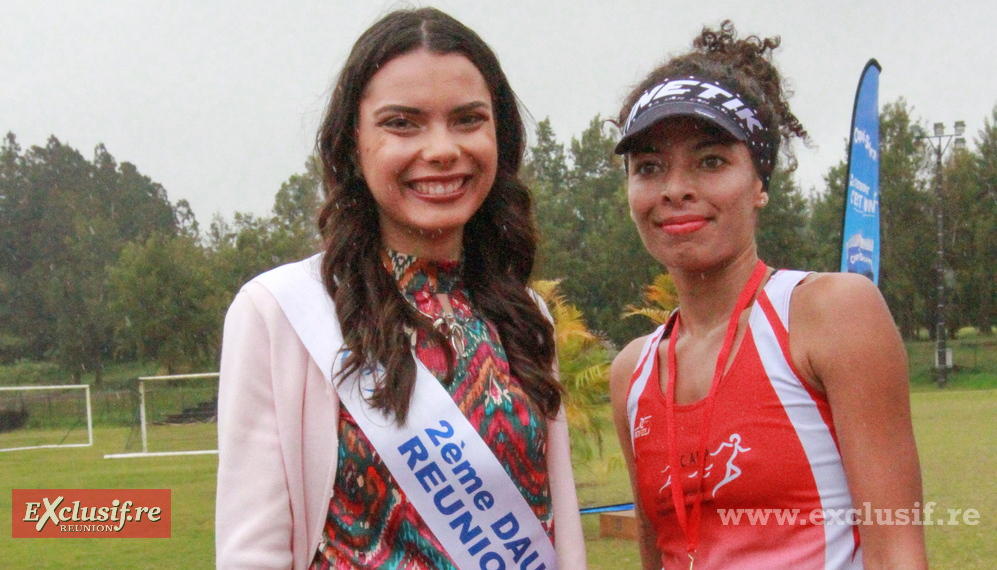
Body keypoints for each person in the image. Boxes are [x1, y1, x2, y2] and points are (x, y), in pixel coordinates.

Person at [215, 7, 586, 570]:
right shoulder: (282, 314)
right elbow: (253, 551)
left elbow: (559, 532)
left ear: (499, 136)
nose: (441, 149)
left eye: (467, 120)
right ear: (352, 143)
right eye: (402, 123)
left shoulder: (523, 314)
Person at [609, 21, 927, 570]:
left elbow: (897, 550)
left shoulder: (828, 314)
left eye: (710, 161)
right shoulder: (631, 373)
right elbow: (658, 553)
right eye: (649, 167)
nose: (675, 188)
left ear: (760, 183)